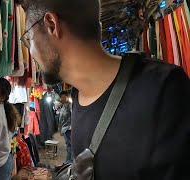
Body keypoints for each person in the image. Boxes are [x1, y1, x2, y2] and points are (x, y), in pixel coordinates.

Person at [17, 0, 190, 179]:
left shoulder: (163, 89)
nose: (30, 52)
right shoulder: (78, 96)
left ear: (52, 25)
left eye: (28, 39)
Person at [58, 91, 72, 164]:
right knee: (68, 145)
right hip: (65, 129)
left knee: (69, 145)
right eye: (61, 97)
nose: (62, 98)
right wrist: (60, 129)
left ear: (67, 97)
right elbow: (61, 119)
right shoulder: (63, 106)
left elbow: (73, 116)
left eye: (64, 97)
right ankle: (68, 161)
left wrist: (71, 127)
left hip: (69, 129)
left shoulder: (70, 105)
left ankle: (69, 162)